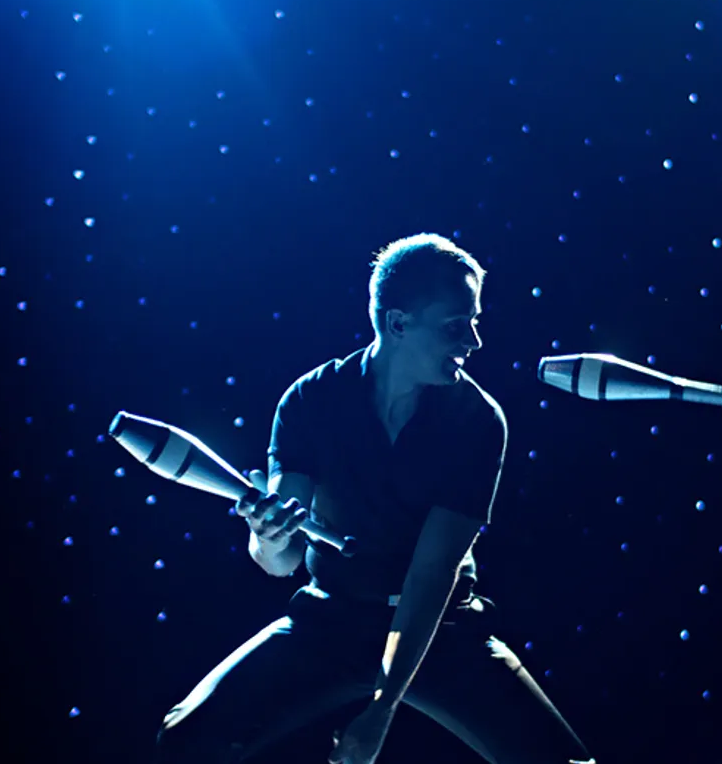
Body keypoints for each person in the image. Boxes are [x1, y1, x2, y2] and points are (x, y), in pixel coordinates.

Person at [153, 233, 596, 764]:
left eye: (475, 322)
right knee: (186, 743)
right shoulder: (309, 400)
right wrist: (266, 535)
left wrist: (382, 710)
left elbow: (431, 576)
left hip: (441, 630)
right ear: (398, 323)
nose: (474, 342)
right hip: (331, 623)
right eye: (457, 326)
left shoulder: (478, 421)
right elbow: (282, 561)